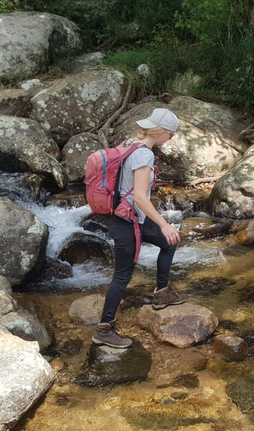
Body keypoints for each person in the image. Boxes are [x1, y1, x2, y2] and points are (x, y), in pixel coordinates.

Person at [92, 108, 188, 348]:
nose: (171, 139)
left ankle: (162, 293)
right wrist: (164, 223)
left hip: (127, 217)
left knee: (168, 242)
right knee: (122, 276)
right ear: (163, 132)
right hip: (126, 222)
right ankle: (104, 329)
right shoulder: (144, 155)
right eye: (171, 135)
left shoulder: (130, 143)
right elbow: (139, 197)